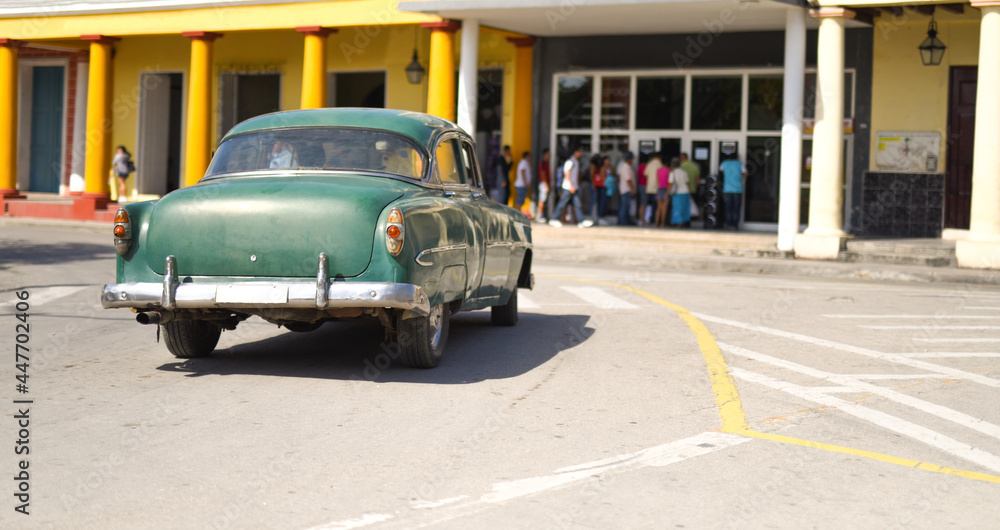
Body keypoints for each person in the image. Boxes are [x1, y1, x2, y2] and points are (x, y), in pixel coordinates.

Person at [550, 145, 593, 228]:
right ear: (575, 152)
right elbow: (567, 174)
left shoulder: (576, 162)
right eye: (580, 151)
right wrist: (571, 186)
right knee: (562, 203)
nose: (581, 153)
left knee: (577, 204)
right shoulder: (570, 162)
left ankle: (581, 220)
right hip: (568, 187)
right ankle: (554, 219)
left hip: (574, 187)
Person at [719, 155, 747, 230]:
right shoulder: (739, 164)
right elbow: (745, 174)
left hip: (727, 189)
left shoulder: (724, 163)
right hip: (737, 189)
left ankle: (728, 224)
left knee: (728, 207)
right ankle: (735, 225)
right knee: (736, 208)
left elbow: (721, 171)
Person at [668, 157, 691, 227]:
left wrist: (667, 193)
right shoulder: (684, 172)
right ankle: (684, 222)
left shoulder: (672, 173)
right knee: (685, 207)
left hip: (677, 192)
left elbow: (670, 184)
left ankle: (678, 223)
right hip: (685, 191)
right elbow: (687, 183)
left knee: (677, 208)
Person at [680, 152, 701, 224]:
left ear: (682, 158)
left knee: (683, 206)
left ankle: (684, 221)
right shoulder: (694, 166)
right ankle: (689, 221)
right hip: (692, 189)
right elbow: (697, 178)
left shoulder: (681, 166)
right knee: (690, 206)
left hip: (682, 190)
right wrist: (696, 187)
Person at [643, 154, 662, 226]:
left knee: (649, 205)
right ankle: (654, 220)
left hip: (649, 188)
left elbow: (645, 174)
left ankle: (648, 219)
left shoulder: (649, 164)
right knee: (656, 206)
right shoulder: (660, 164)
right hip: (657, 188)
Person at [617, 151, 636, 225]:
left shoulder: (628, 167)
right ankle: (622, 221)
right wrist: (632, 189)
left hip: (627, 190)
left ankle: (626, 220)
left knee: (626, 206)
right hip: (626, 190)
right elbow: (628, 180)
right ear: (629, 159)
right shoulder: (625, 168)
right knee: (624, 206)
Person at [654, 155, 671, 228]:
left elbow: (657, 180)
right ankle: (662, 223)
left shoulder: (658, 170)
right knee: (664, 208)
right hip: (666, 189)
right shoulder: (668, 170)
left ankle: (656, 223)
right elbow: (669, 181)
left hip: (659, 188)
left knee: (658, 208)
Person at [537, 148, 551, 222]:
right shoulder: (542, 163)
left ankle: (542, 215)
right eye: (548, 154)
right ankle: (540, 215)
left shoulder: (546, 163)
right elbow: (543, 175)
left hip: (545, 184)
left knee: (544, 200)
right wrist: (546, 185)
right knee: (542, 200)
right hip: (543, 184)